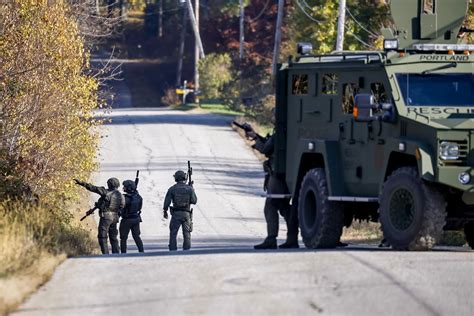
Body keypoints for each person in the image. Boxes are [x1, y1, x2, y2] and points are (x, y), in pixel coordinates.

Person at [245, 128, 299, 249]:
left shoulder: (279, 134)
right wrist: (256, 136)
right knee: (284, 206)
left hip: (277, 175)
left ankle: (271, 239)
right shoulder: (293, 131)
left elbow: (265, 149)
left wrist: (255, 139)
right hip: (288, 174)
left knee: (271, 205)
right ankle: (292, 238)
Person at [74, 177, 125, 254]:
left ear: (109, 184)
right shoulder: (121, 195)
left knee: (102, 236)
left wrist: (82, 183)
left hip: (106, 217)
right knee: (113, 237)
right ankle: (116, 253)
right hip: (115, 217)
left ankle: (105, 254)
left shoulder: (105, 192)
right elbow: (122, 206)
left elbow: (93, 188)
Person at [163, 170, 197, 251]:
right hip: (186, 214)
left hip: (176, 214)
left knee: (173, 233)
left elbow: (167, 201)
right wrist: (192, 189)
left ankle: (172, 250)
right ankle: (187, 250)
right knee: (187, 234)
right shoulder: (189, 189)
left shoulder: (172, 189)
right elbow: (194, 201)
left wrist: (165, 210)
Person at [119, 180, 144, 253]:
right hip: (136, 219)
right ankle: (141, 251)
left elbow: (121, 208)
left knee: (123, 238)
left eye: (125, 187)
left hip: (126, 220)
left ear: (129, 188)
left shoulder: (125, 198)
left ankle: (123, 253)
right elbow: (139, 208)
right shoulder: (139, 197)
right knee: (136, 236)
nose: (123, 188)